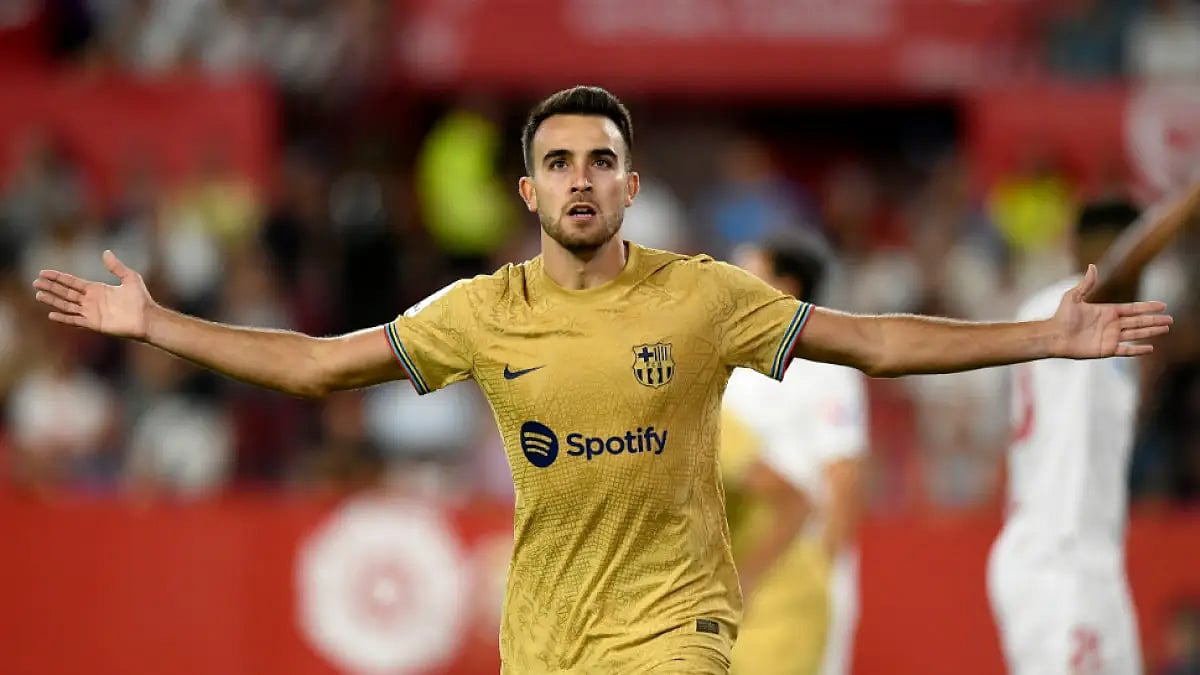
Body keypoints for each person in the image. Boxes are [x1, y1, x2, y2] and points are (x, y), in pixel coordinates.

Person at [32, 86, 1172, 674]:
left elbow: (872, 342)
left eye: (601, 163)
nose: (581, 180)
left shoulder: (704, 297)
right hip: (547, 641)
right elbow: (319, 367)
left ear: (631, 188)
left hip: (677, 633)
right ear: (527, 192)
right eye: (559, 163)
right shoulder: (480, 313)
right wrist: (157, 323)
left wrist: (1044, 339)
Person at [988, 182, 1200, 675]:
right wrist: (1188, 202)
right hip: (1054, 560)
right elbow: (1124, 268)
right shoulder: (1063, 311)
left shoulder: (1104, 330)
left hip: (1094, 559)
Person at [720, 230, 867, 675]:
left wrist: (826, 568)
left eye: (751, 272)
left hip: (801, 554)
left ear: (787, 287)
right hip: (744, 559)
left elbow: (842, 474)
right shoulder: (732, 364)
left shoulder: (826, 369)